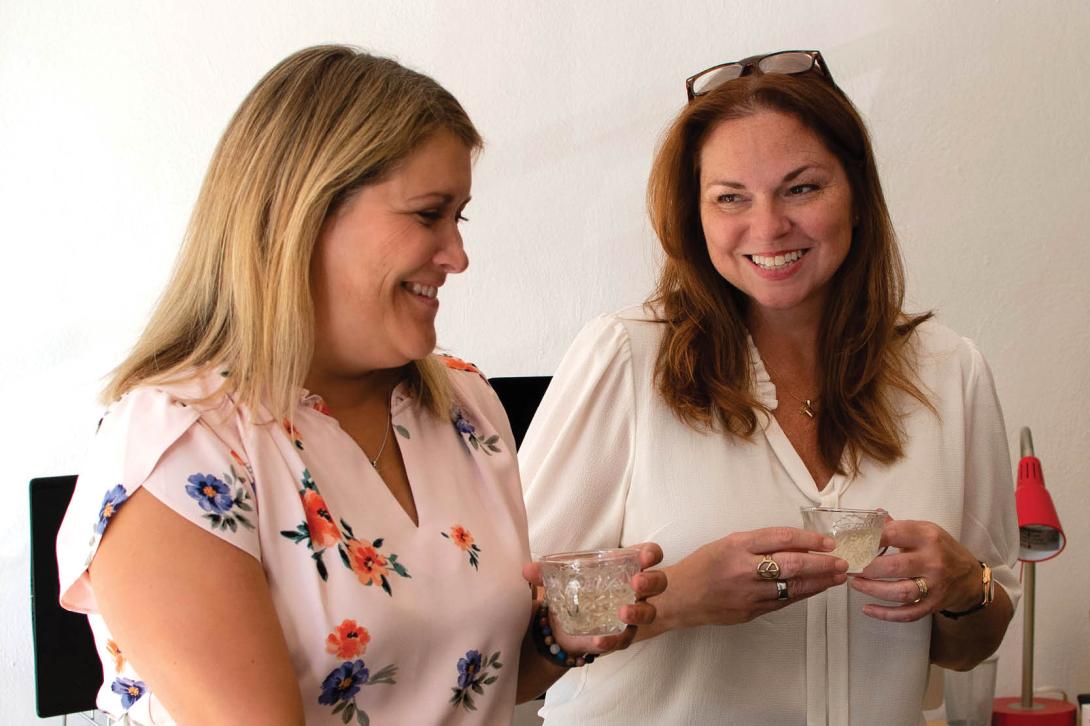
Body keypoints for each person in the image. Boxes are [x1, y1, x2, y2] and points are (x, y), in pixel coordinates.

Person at [55, 45, 665, 725]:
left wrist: (562, 636)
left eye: (458, 217)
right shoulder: (178, 447)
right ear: (303, 213)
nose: (457, 257)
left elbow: (464, 680)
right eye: (428, 214)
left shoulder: (464, 407)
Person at [520, 50, 1019, 725]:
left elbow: (971, 645)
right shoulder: (625, 356)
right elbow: (512, 630)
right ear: (694, 215)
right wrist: (676, 598)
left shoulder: (950, 370)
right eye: (731, 197)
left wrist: (964, 587)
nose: (768, 227)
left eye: (802, 188)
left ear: (857, 194)